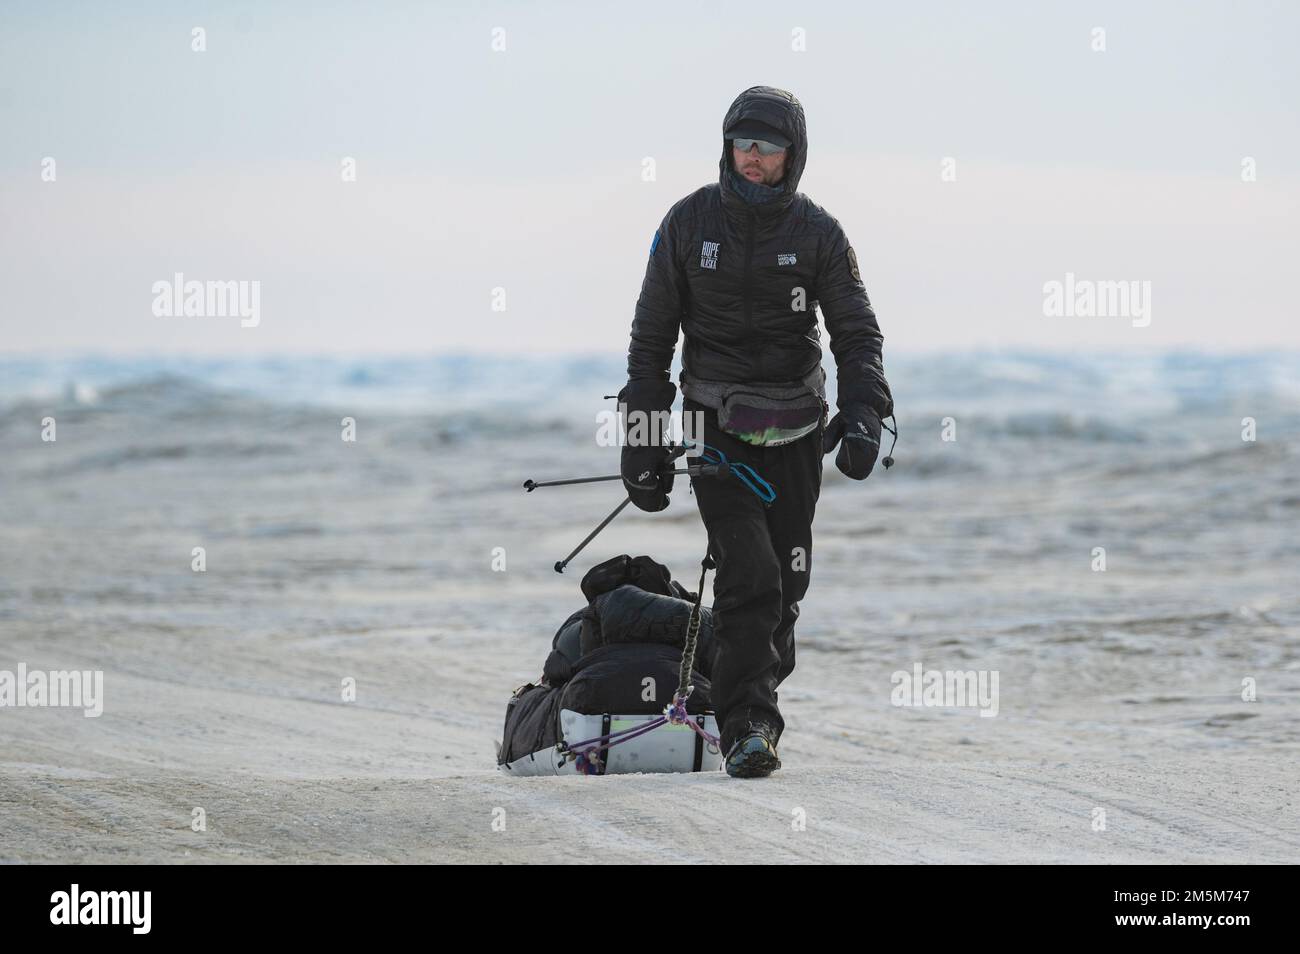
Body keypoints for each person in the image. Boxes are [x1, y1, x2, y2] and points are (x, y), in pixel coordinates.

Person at [617, 85, 894, 778]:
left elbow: (856, 334)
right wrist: (643, 439)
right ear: (726, 145)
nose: (753, 158)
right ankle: (749, 728)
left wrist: (864, 413)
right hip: (717, 427)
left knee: (784, 592)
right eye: (743, 143)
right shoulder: (687, 224)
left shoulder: (820, 235)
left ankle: (729, 675)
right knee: (752, 575)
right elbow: (651, 342)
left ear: (793, 157)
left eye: (768, 148)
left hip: (797, 428)